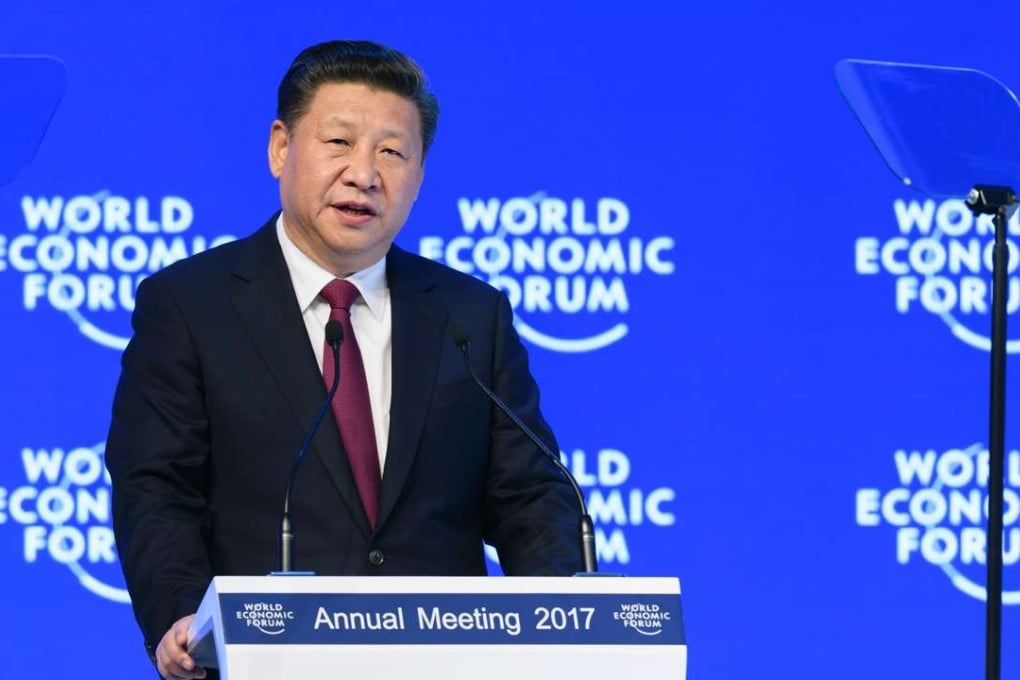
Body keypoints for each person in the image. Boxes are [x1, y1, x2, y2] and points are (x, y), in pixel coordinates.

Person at [105, 39, 583, 679]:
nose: (364, 173)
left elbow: (531, 495)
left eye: (392, 151)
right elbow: (157, 487)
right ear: (281, 148)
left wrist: (567, 620)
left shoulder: (471, 316)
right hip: (263, 662)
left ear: (419, 175)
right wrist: (180, 613)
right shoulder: (191, 306)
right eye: (339, 143)